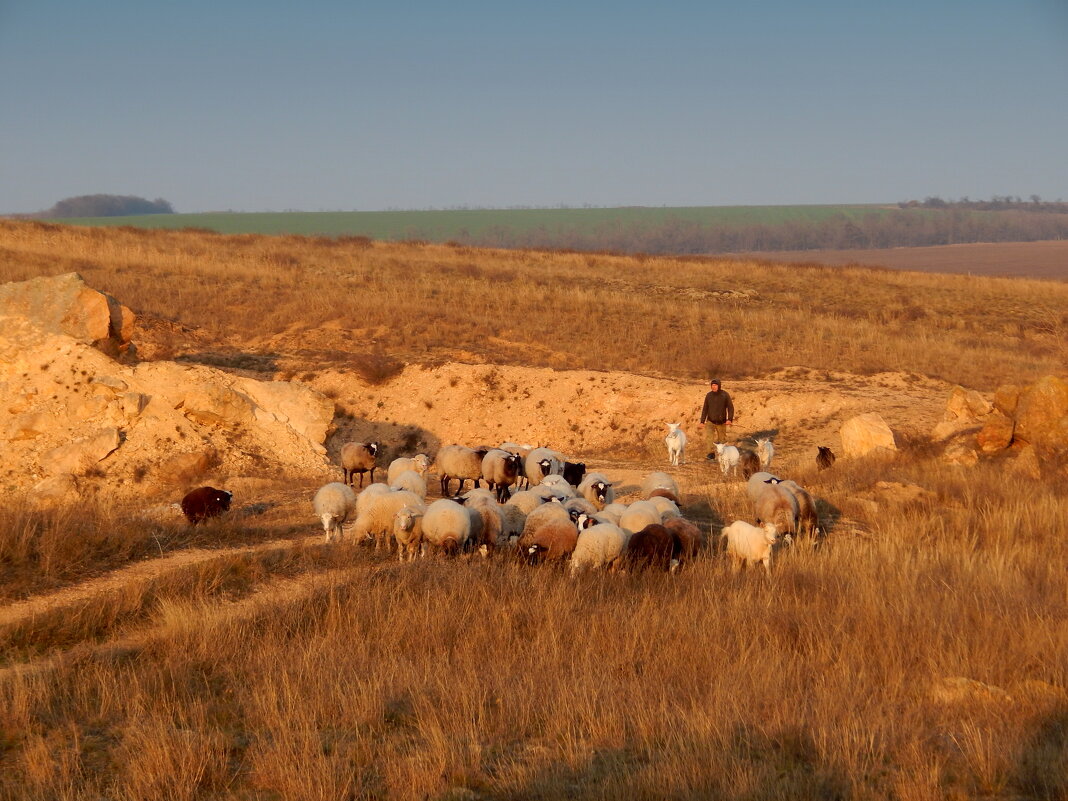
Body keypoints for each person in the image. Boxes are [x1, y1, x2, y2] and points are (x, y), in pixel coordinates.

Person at [698, 379, 734, 459]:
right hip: (710, 421)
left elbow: (730, 408)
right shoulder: (709, 395)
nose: (713, 387)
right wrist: (702, 421)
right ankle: (710, 455)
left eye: (715, 385)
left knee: (722, 439)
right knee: (709, 438)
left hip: (721, 422)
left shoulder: (725, 395)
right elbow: (705, 409)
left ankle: (724, 455)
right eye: (712, 385)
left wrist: (729, 419)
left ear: (719, 386)